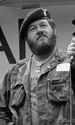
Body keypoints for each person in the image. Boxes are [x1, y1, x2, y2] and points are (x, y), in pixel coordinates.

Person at [0, 8, 75, 125]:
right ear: (26, 39)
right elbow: (1, 111)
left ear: (54, 31)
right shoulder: (14, 72)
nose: (39, 30)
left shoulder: (70, 62)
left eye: (43, 25)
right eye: (33, 28)